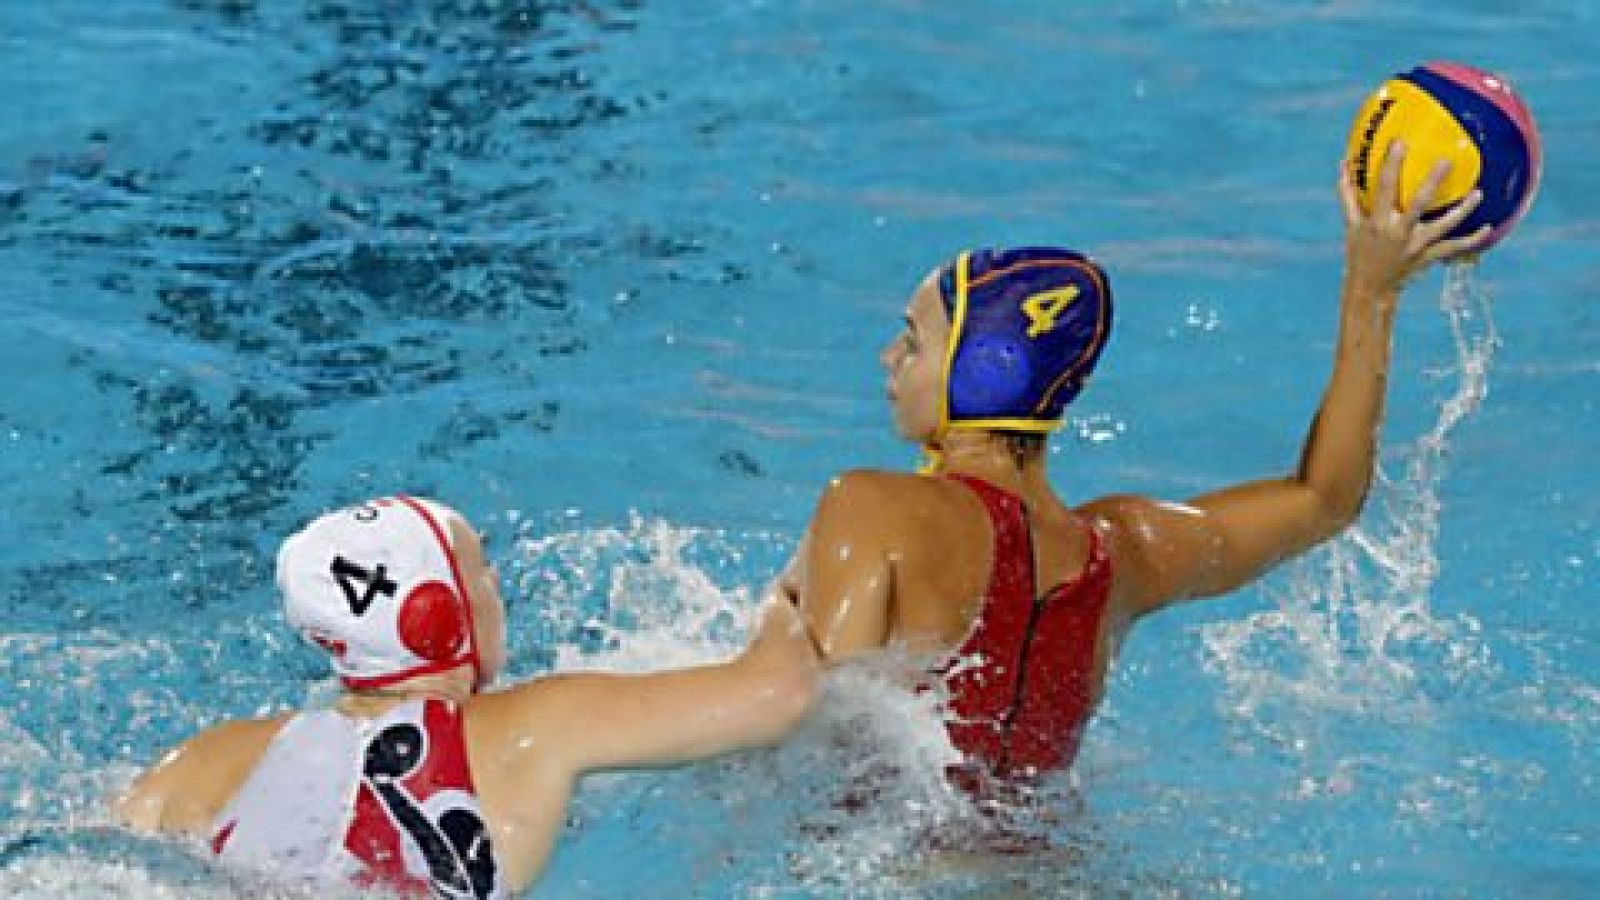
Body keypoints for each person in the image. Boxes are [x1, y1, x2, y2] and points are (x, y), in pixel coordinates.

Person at [777, 142, 1490, 797]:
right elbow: (1324, 499)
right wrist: (1373, 290)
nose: (887, 358)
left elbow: (810, 734)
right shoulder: (1124, 556)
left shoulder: (873, 508)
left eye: (912, 340)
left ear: (989, 371)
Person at [116, 494, 818, 897]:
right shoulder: (534, 726)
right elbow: (779, 694)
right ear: (435, 613)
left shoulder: (204, 759)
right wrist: (789, 595)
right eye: (482, 571)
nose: (498, 590)